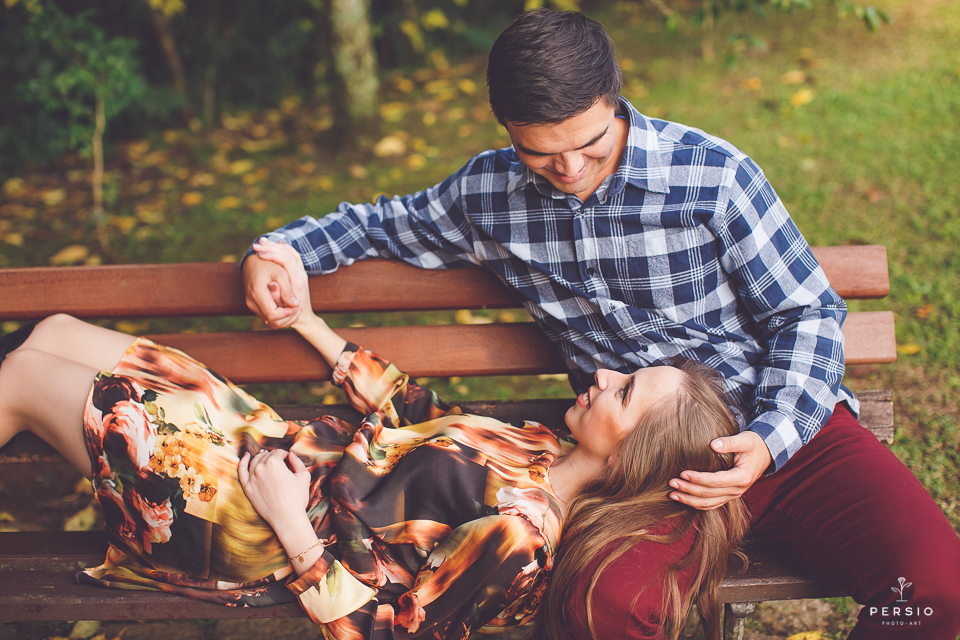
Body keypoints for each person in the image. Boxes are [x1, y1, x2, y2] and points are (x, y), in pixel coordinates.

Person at [240, 9, 960, 638]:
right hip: (643, 472)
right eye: (541, 152)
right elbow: (384, 223)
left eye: (589, 145)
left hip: (782, 432)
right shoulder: (490, 193)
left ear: (613, 100)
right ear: (507, 130)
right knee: (601, 608)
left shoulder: (712, 175)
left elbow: (806, 311)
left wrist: (771, 439)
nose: (570, 168)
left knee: (936, 589)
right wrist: (279, 251)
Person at [0, 240, 747, 639]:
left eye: (624, 392)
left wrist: (289, 521)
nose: (605, 375)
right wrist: (309, 325)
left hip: (255, 515)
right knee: (52, 333)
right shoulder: (542, 448)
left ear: (631, 456)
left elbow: (387, 633)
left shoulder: (520, 537)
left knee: (25, 377)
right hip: (276, 446)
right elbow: (420, 412)